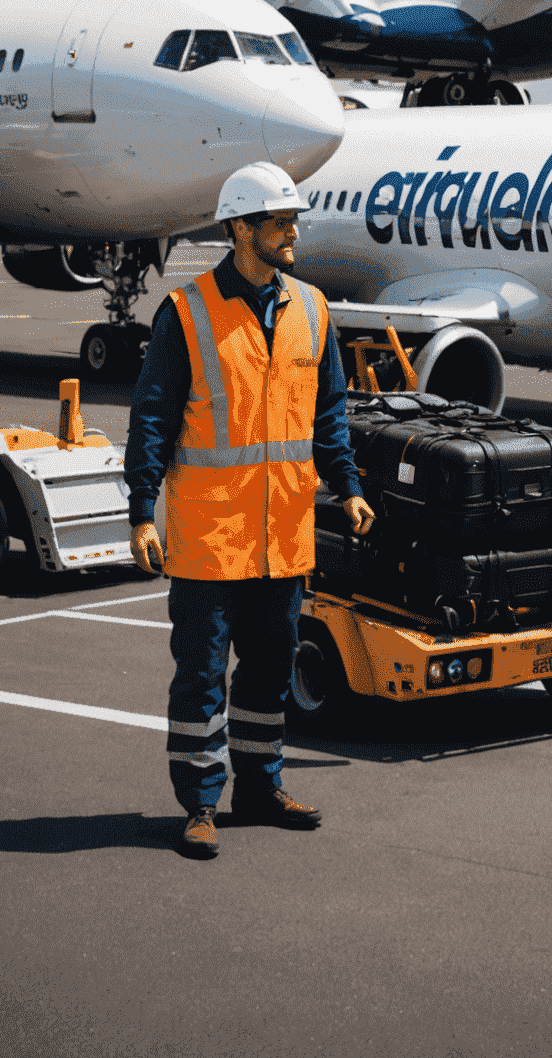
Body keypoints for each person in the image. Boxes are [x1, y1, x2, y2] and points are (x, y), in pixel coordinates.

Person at [126, 161, 375, 860]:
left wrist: (349, 487)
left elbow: (330, 417)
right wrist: (142, 510)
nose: (292, 232)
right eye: (278, 221)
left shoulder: (314, 310)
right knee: (202, 675)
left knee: (269, 674)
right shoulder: (187, 313)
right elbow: (151, 418)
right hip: (210, 539)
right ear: (240, 229)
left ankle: (261, 789)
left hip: (284, 536)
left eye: (294, 219)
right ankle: (201, 804)